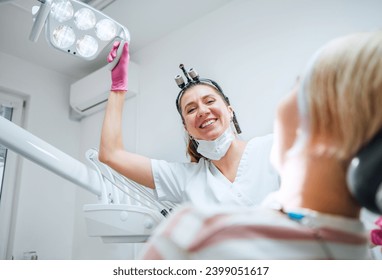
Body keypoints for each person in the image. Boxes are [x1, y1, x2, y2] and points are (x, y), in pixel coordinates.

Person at [138, 30, 382, 259]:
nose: (202, 111)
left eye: (299, 86)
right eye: (191, 109)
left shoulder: (190, 235)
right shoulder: (355, 248)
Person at [98, 41, 279, 208]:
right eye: (191, 110)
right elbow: (111, 154)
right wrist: (118, 88)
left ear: (229, 110)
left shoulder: (273, 148)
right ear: (187, 128)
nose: (202, 111)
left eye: (209, 101)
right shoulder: (185, 179)